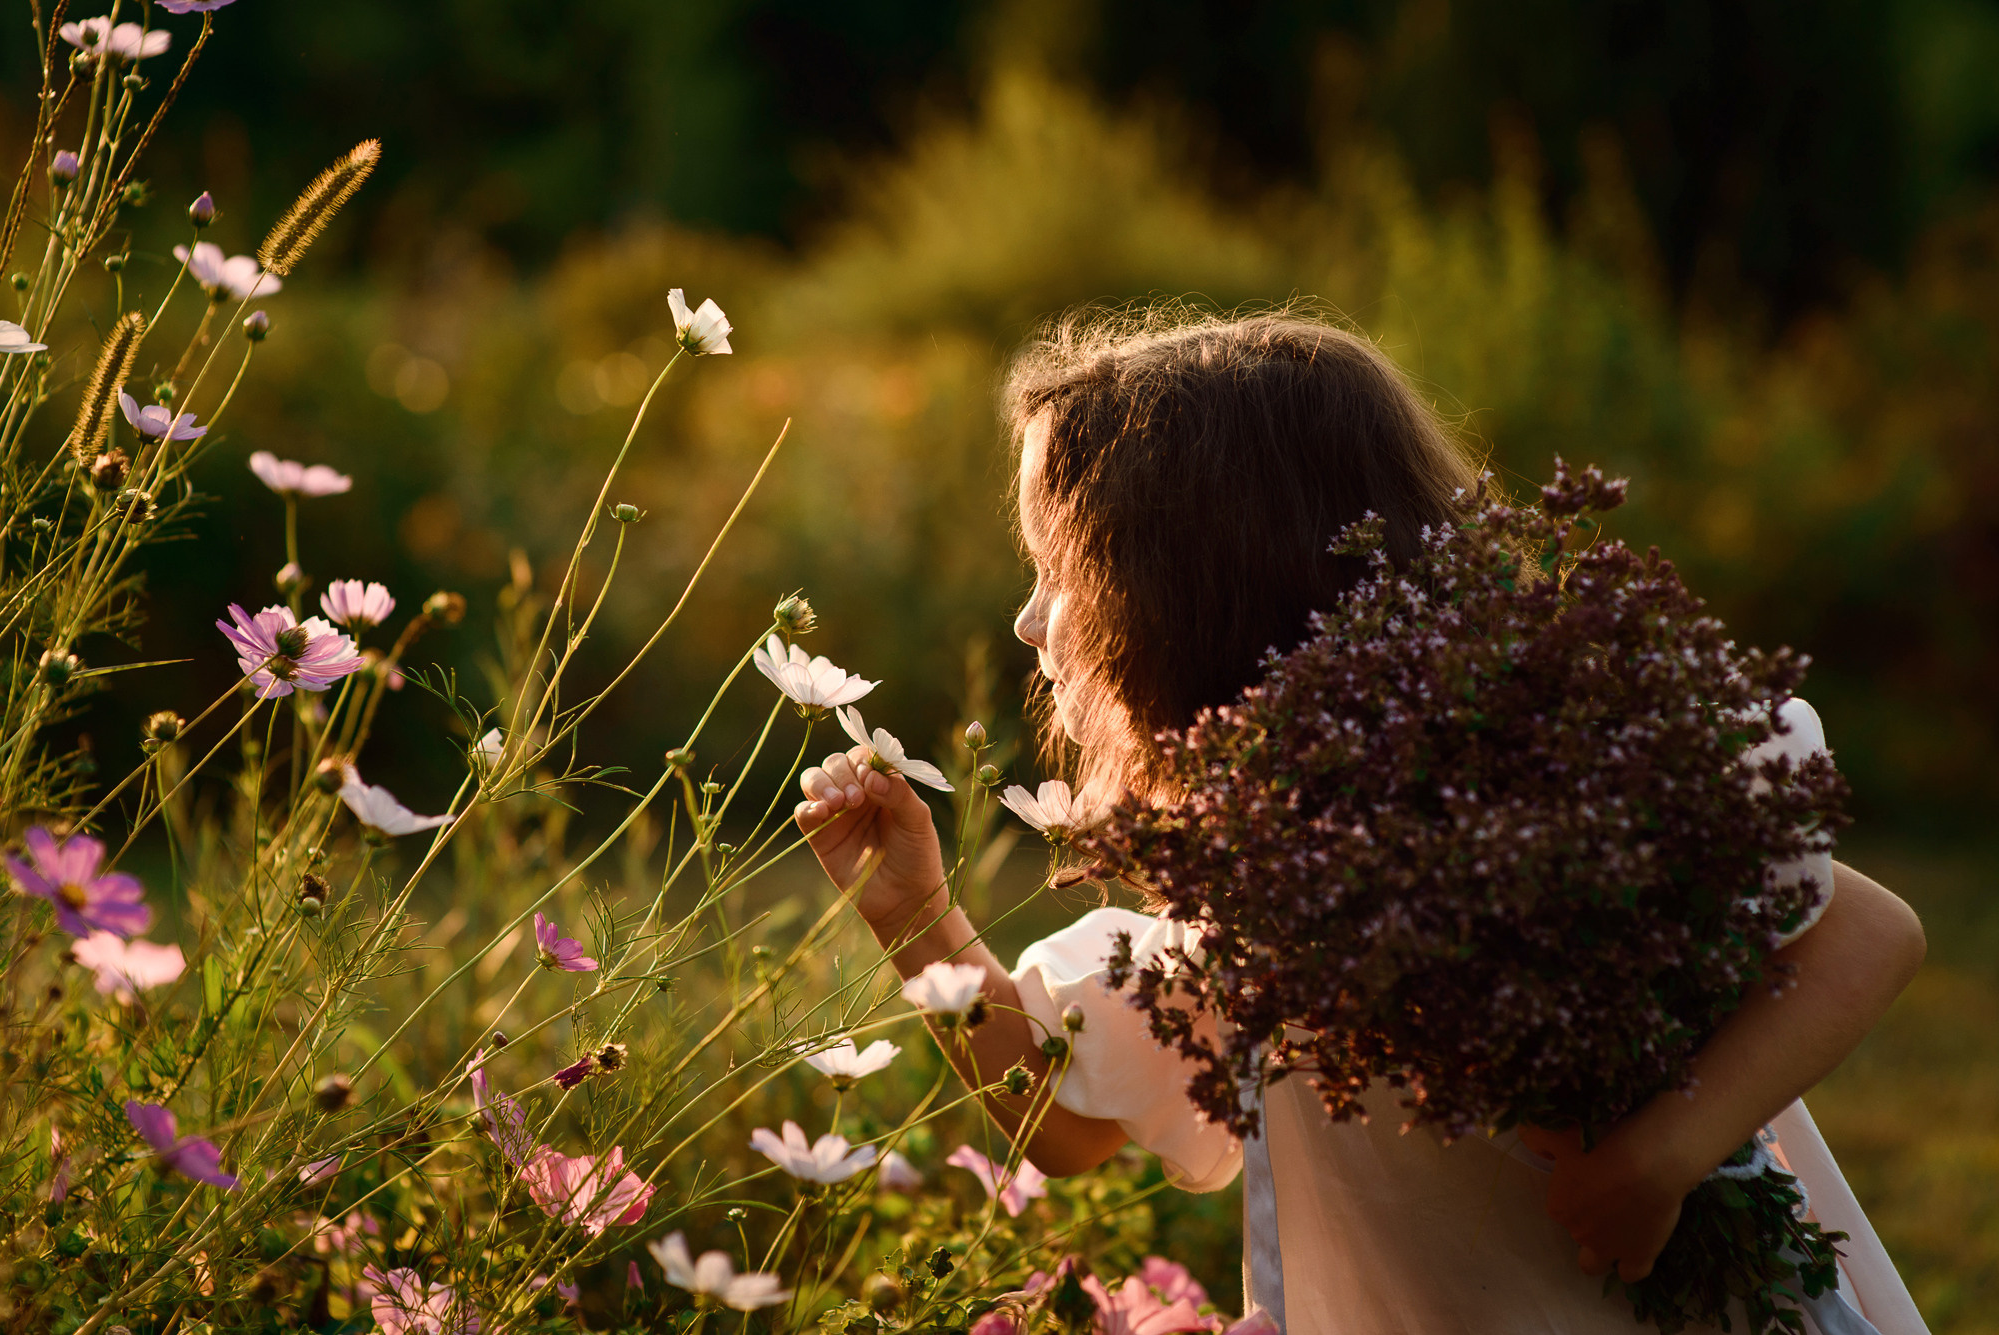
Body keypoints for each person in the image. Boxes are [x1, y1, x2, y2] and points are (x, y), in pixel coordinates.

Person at [795, 310, 1931, 1335]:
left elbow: (1863, 930)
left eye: (1060, 570)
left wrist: (1661, 1154)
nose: (1028, 619)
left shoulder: (1529, 791)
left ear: (1193, 588)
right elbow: (1067, 1116)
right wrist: (916, 914)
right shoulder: (1257, 878)